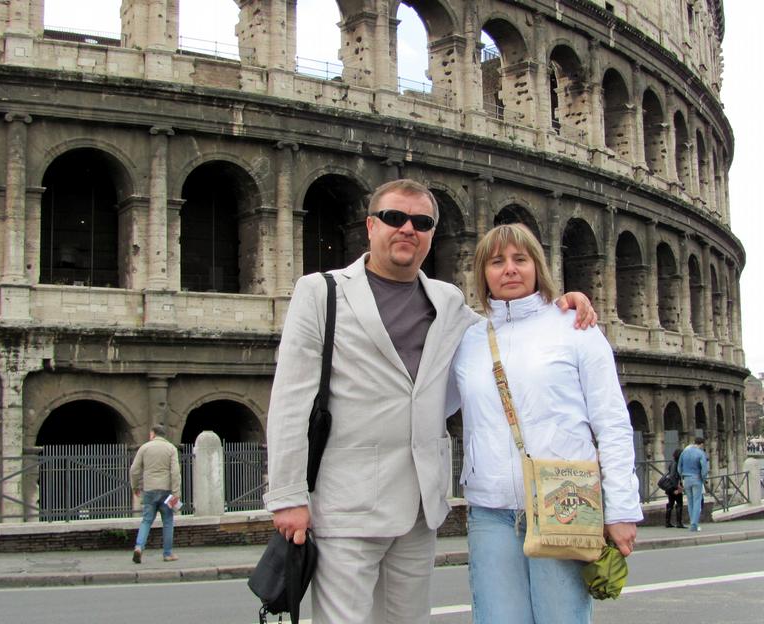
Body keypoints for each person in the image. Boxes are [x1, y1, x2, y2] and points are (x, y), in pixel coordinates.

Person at [263, 179, 596, 623]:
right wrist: (287, 497)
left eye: (421, 222)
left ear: (431, 234)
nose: (407, 229)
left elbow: (502, 336)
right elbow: (289, 401)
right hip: (347, 502)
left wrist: (556, 307)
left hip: (420, 506)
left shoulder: (448, 300)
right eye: (394, 218)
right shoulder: (321, 291)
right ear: (370, 226)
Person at [448, 224, 641, 623]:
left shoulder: (576, 327)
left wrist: (621, 509)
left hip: (564, 501)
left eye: (521, 259)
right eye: (497, 261)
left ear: (539, 265)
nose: (510, 270)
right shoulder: (469, 340)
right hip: (490, 509)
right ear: (482, 272)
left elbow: (612, 422)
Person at [129, 424, 181, 564]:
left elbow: (134, 470)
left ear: (153, 434)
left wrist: (135, 487)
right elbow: (175, 472)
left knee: (146, 520)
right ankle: (168, 554)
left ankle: (139, 547)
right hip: (166, 491)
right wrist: (176, 492)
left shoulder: (144, 448)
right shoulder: (171, 448)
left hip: (149, 490)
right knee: (168, 521)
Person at [678, 437, 709, 532]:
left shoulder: (684, 452)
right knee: (697, 502)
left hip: (686, 479)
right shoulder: (700, 453)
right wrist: (704, 479)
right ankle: (694, 525)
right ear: (701, 444)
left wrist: (682, 477)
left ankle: (692, 523)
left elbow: (679, 467)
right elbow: (704, 468)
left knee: (690, 502)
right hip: (697, 478)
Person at [664, 448, 685, 529]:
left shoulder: (672, 462)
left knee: (671, 504)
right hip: (674, 486)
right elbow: (673, 476)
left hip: (671, 487)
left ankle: (668, 522)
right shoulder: (676, 464)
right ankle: (678, 522)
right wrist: (677, 487)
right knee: (679, 504)